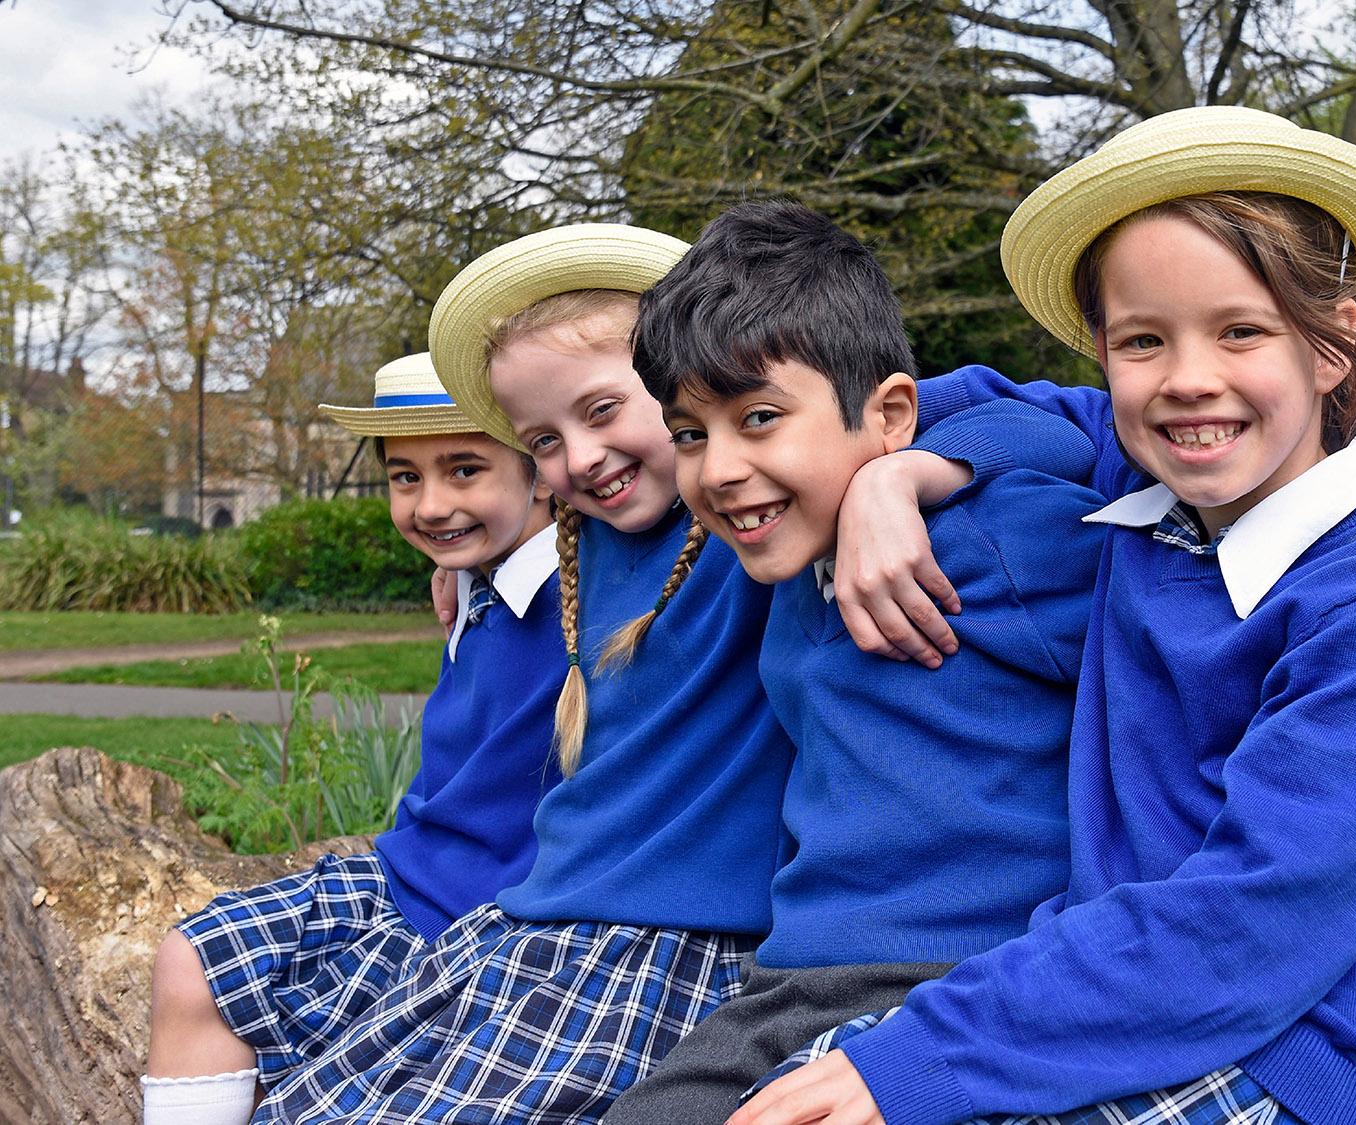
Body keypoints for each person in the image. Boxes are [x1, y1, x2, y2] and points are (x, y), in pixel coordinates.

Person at [736, 105, 1356, 1125]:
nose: (1190, 379)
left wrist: (917, 1061)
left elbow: (1244, 932)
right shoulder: (1153, 476)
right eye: (1143, 340)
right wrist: (897, 478)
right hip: (1100, 1003)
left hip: (1283, 1063)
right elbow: (984, 402)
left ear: (1331, 345)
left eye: (1241, 330)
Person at [242, 225, 794, 1125]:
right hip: (542, 919)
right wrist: (466, 571)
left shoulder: (743, 528)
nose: (578, 458)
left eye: (605, 409)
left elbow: (980, 409)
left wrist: (903, 479)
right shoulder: (590, 549)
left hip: (660, 938)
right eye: (542, 439)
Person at [602, 202, 1107, 1125]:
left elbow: (1090, 436)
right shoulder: (780, 562)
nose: (718, 469)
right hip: (792, 977)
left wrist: (904, 471)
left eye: (760, 417)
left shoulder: (988, 545)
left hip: (957, 977)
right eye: (690, 433)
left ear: (891, 416)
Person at [142, 353, 562, 1125]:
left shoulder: (590, 590)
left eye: (465, 469)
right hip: (410, 876)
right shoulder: (474, 578)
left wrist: (870, 482)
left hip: (494, 918)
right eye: (406, 477)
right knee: (192, 960)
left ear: (542, 463)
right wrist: (462, 571)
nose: (431, 504)